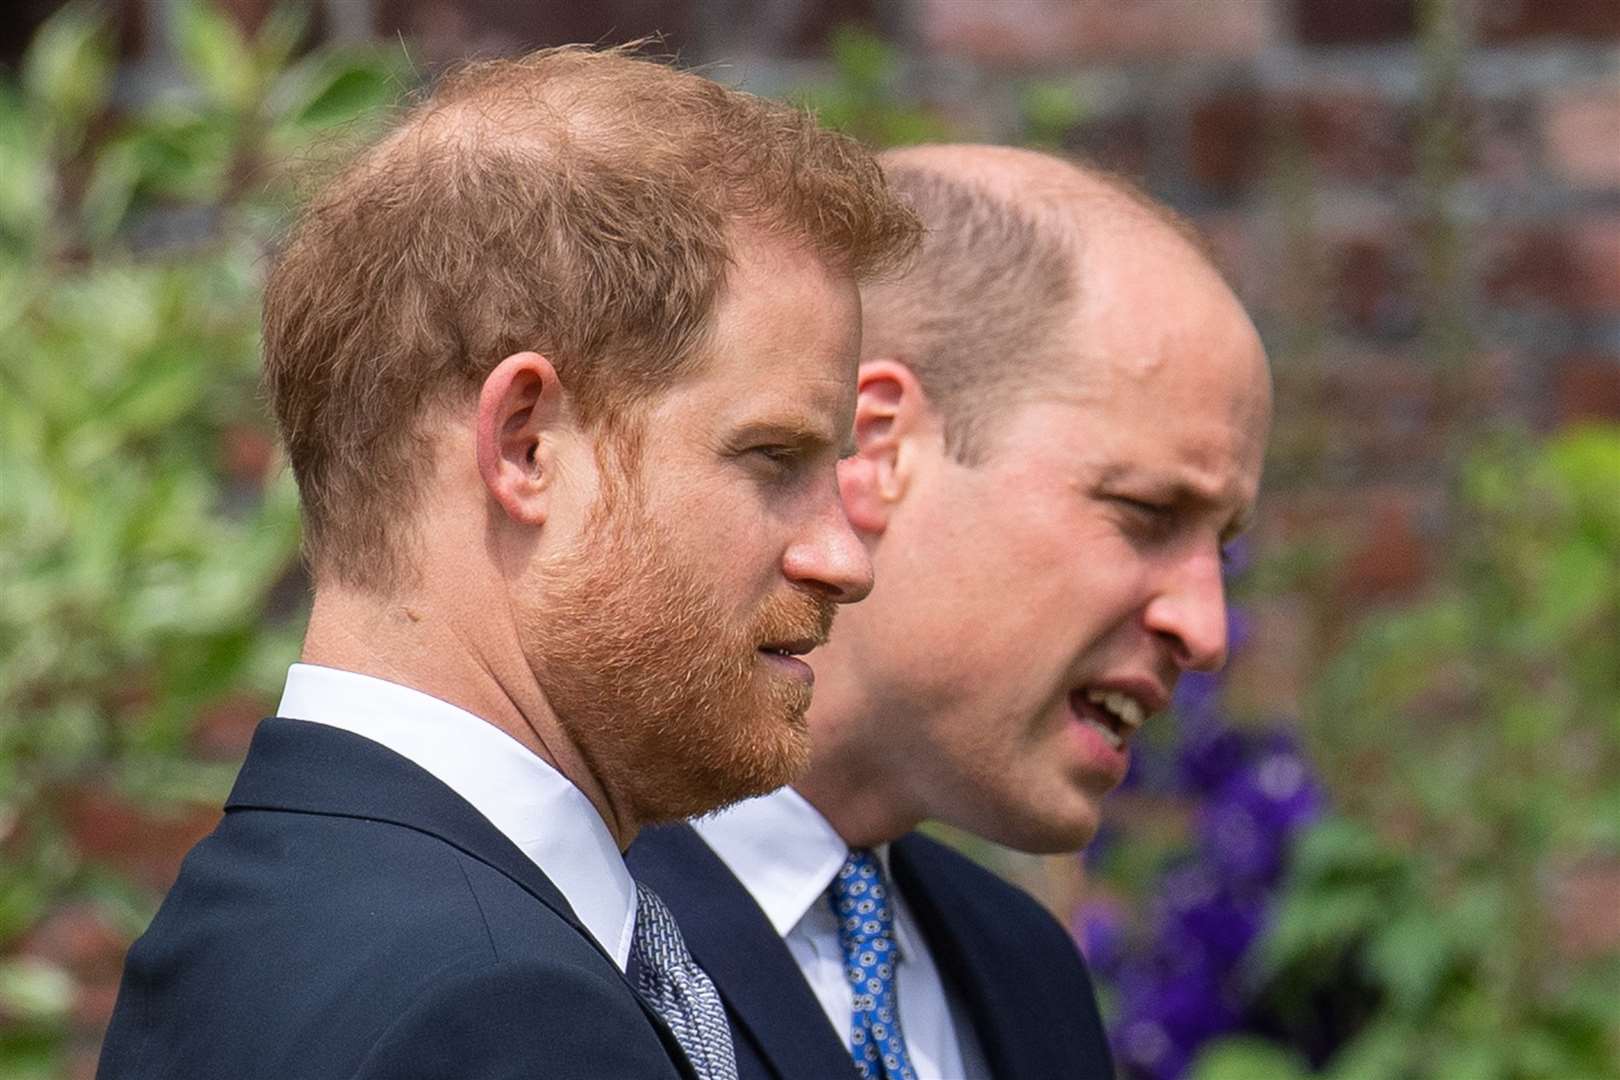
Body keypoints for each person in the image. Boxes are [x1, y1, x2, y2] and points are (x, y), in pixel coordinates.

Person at [96, 46, 920, 1080]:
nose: (845, 556)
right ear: (526, 444)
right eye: (773, 458)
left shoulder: (268, 909)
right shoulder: (493, 1011)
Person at [629, 144, 1273, 1080]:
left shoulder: (1027, 976)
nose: (1205, 629)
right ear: (879, 444)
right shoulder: (559, 918)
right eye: (1145, 514)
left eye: (1220, 546)